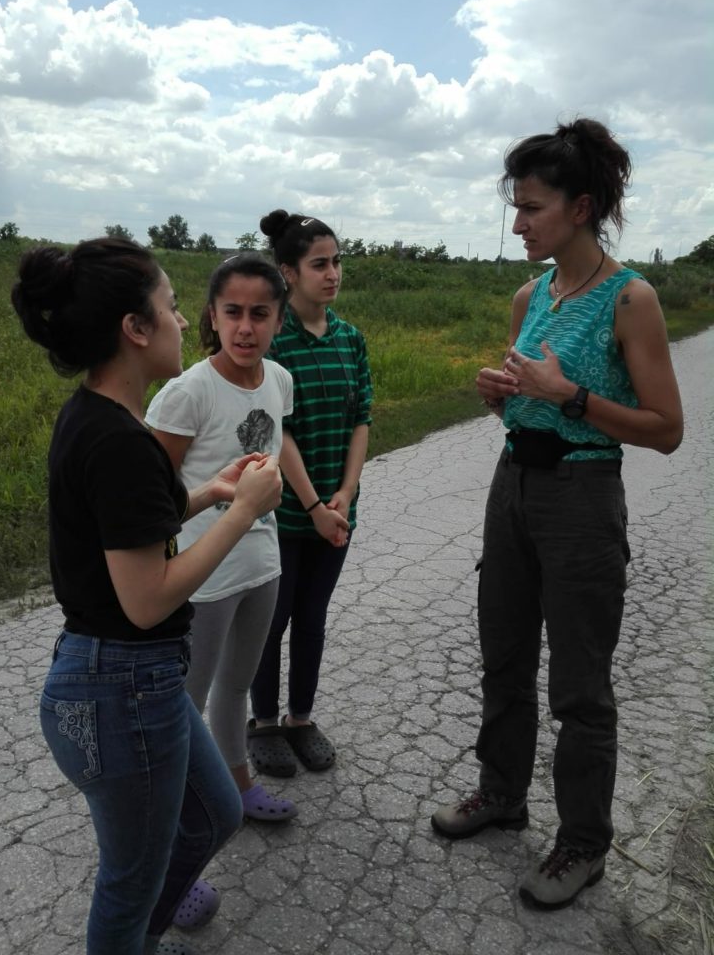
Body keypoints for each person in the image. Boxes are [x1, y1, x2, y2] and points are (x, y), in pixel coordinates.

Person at [430, 118, 683, 910]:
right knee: (503, 655)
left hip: (583, 495)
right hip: (515, 487)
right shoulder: (528, 294)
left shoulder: (630, 298)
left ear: (579, 207)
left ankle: (583, 843)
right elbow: (521, 402)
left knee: (579, 685)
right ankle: (501, 793)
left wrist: (566, 394)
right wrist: (501, 396)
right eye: (515, 206)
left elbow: (667, 430)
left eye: (531, 207)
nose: (518, 224)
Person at [11, 238, 283, 955]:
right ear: (134, 328)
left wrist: (206, 493)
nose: (183, 323)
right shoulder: (120, 441)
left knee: (214, 815)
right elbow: (147, 599)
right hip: (120, 687)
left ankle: (142, 934)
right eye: (169, 307)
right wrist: (242, 512)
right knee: (128, 881)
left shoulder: (101, 417)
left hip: (130, 680)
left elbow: (128, 533)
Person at [146, 252, 297, 823]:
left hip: (262, 565)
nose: (245, 327)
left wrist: (311, 503)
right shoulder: (186, 394)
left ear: (279, 319)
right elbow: (152, 507)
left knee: (236, 688)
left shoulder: (280, 380)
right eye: (232, 311)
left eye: (260, 313)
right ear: (211, 315)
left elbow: (279, 451)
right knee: (187, 701)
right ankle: (179, 818)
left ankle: (236, 782)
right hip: (203, 578)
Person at [246, 210, 373, 776]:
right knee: (271, 621)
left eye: (337, 261)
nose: (332, 273)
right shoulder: (276, 344)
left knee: (313, 618)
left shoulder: (350, 339)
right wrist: (315, 506)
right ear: (289, 273)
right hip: (284, 514)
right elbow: (280, 431)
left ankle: (301, 718)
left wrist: (345, 493)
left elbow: (361, 419)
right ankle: (264, 723)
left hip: (337, 512)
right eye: (319, 264)